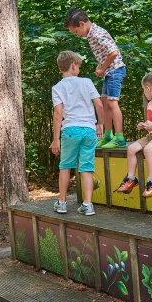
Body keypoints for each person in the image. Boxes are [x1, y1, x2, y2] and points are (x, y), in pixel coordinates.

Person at [50, 51, 104, 216]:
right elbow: (99, 105)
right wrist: (100, 123)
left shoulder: (57, 88)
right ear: (73, 65)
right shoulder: (87, 82)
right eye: (79, 66)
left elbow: (58, 114)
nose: (79, 69)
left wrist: (56, 139)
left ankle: (62, 203)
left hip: (70, 130)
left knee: (65, 166)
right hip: (89, 130)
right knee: (87, 168)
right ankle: (88, 205)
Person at [64, 8, 127, 149]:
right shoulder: (91, 35)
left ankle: (119, 137)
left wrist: (102, 68)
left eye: (75, 32)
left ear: (81, 24)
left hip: (115, 70)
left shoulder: (97, 34)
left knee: (112, 103)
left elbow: (114, 52)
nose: (77, 35)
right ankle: (108, 134)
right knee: (104, 102)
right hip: (108, 72)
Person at [116, 71, 152, 197]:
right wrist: (145, 125)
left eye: (143, 89)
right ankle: (131, 178)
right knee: (131, 148)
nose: (144, 92)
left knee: (148, 150)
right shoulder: (150, 104)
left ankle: (151, 182)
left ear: (148, 88)